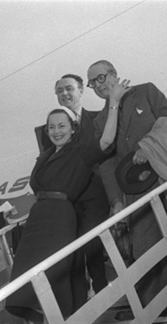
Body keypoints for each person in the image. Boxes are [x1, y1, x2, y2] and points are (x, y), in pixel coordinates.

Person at [6, 77, 129, 324]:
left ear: (73, 128)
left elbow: (105, 141)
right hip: (37, 222)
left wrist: (114, 103)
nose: (56, 132)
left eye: (62, 126)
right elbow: (39, 188)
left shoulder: (80, 152)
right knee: (28, 280)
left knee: (53, 276)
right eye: (51, 127)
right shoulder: (46, 155)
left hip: (60, 219)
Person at [88, 60, 167, 319]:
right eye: (92, 83)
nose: (98, 85)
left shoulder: (146, 92)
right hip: (135, 191)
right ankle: (154, 304)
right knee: (143, 246)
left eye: (101, 78)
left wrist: (150, 147)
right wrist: (116, 201)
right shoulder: (100, 121)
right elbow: (107, 165)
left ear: (114, 74)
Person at [35, 74, 111, 310]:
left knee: (91, 243)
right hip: (68, 200)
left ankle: (101, 288)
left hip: (95, 192)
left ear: (81, 91)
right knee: (73, 253)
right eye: (59, 91)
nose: (64, 94)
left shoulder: (99, 118)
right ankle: (79, 304)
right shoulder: (47, 130)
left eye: (69, 89)